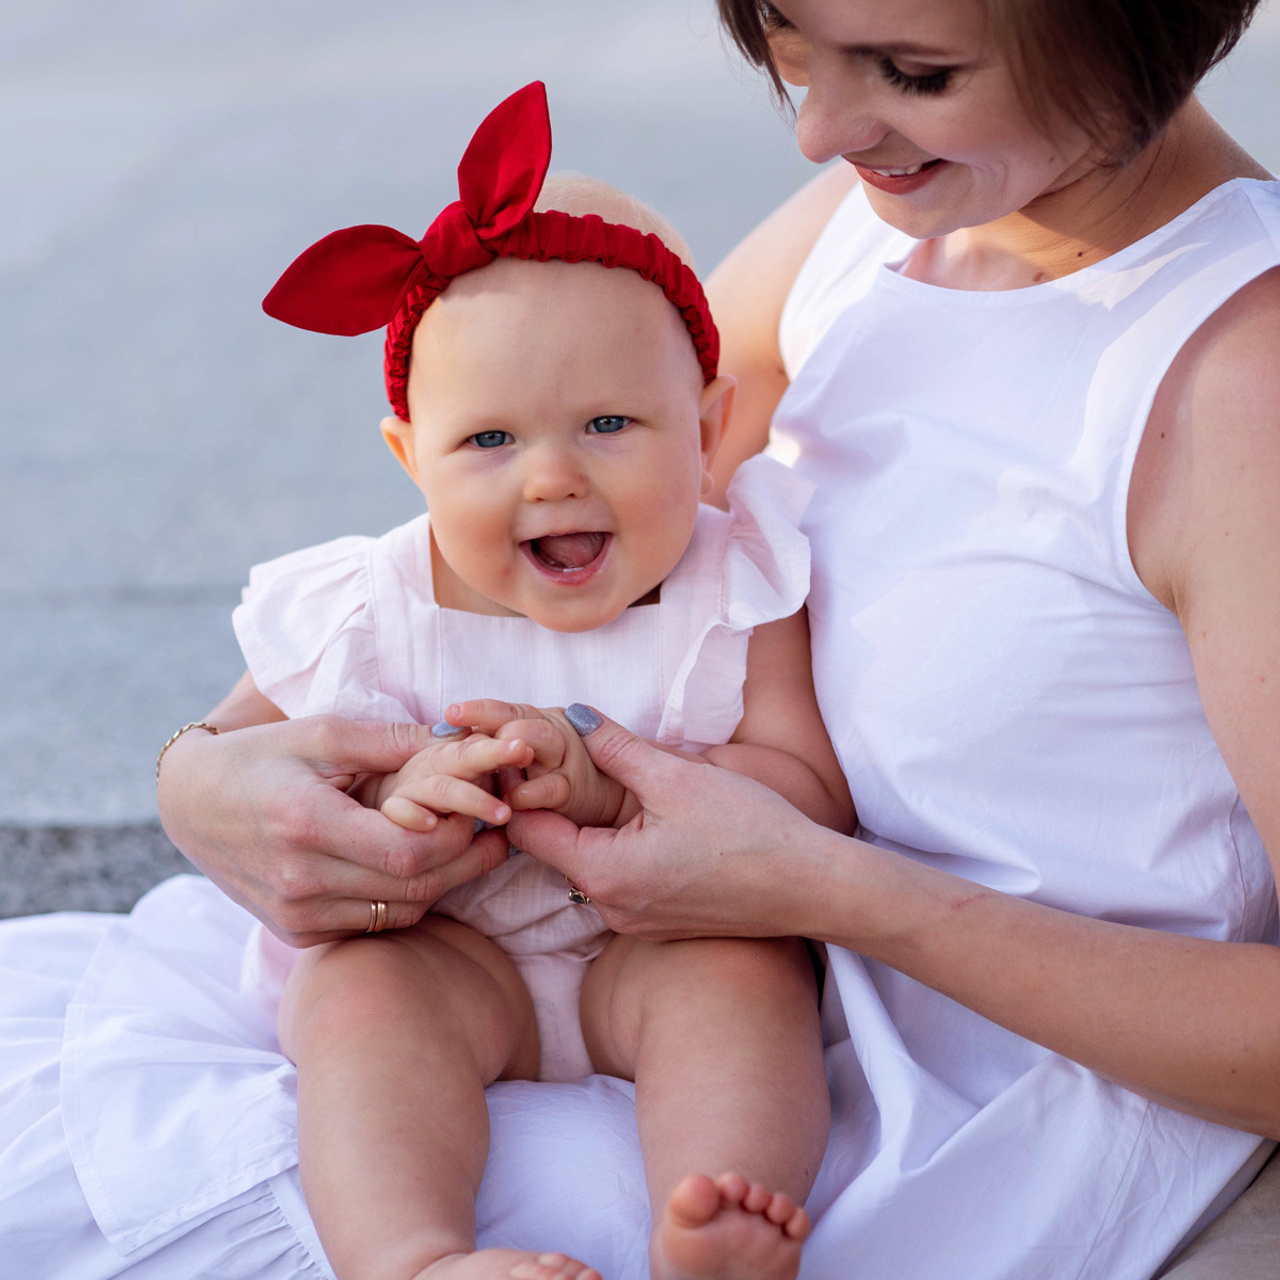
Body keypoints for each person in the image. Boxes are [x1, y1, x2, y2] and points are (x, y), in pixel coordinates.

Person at [1, 2, 1278, 1278]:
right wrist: (206, 770)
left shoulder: (1231, 386)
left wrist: (818, 884)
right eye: (791, 57)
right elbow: (557, 419)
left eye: (912, 72)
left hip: (942, 1088)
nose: (819, 132)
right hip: (574, 964)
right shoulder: (883, 220)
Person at [224, 81, 847, 1280]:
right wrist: (392, 798)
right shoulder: (363, 602)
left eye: (608, 423)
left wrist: (623, 784)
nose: (551, 476)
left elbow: (808, 793)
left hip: (657, 942)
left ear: (706, 429)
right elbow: (246, 768)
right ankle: (411, 1255)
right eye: (489, 439)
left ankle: (713, 1219)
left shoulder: (738, 585)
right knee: (360, 1001)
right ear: (410, 455)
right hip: (441, 949)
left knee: (747, 977)